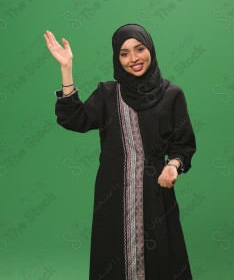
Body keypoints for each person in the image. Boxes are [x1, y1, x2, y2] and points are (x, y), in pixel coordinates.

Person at [43, 23, 197, 280]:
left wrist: (173, 165)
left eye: (139, 49)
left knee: (162, 257)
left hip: (156, 193)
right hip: (112, 196)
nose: (133, 59)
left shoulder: (172, 95)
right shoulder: (107, 94)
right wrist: (66, 69)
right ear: (117, 57)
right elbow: (75, 120)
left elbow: (183, 145)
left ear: (151, 49)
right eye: (124, 53)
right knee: (112, 256)